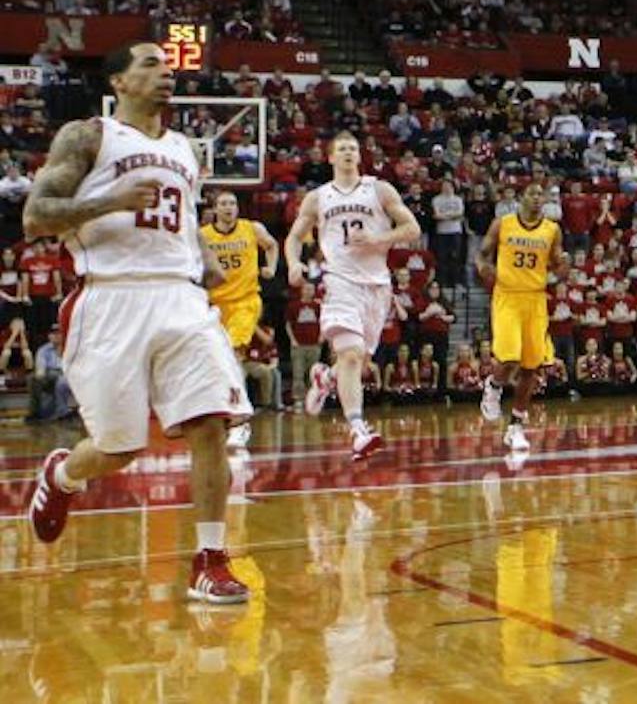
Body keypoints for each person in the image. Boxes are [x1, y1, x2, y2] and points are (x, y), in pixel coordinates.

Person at [22, 41, 251, 602]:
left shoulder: (184, 148)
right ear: (119, 82)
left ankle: (210, 559)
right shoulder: (88, 137)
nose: (165, 73)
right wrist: (109, 201)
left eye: (168, 66)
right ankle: (63, 476)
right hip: (110, 298)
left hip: (179, 297)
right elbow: (34, 218)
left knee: (210, 424)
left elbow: (180, 213)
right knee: (119, 449)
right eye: (150, 64)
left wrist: (204, 257)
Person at [283, 130, 423, 459]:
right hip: (339, 281)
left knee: (359, 361)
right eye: (342, 148)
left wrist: (377, 241)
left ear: (360, 156)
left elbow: (413, 228)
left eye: (353, 148)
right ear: (331, 157)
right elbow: (294, 237)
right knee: (351, 354)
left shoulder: (379, 189)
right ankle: (358, 430)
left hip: (377, 286)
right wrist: (293, 263)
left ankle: (326, 377)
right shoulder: (318, 198)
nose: (348, 152)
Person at [476, 184, 567, 453]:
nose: (538, 198)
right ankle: (493, 387)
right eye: (533, 193)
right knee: (510, 357)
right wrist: (484, 269)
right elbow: (482, 255)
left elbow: (556, 264)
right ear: (521, 198)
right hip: (507, 296)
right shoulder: (502, 224)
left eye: (542, 194)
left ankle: (515, 427)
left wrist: (563, 267)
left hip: (536, 299)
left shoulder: (552, 230)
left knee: (531, 367)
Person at [199, 189, 278, 451]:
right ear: (214, 208)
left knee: (232, 355)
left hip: (245, 302)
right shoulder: (204, 235)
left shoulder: (252, 228)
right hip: (214, 304)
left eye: (232, 203)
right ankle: (223, 410)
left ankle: (239, 418)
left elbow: (272, 245)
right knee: (218, 361)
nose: (229, 207)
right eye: (223, 203)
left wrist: (271, 268)